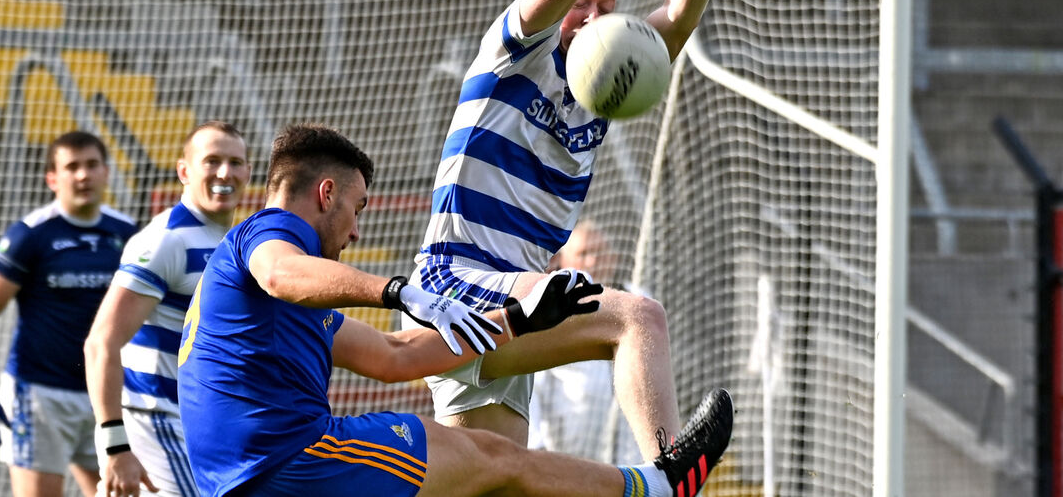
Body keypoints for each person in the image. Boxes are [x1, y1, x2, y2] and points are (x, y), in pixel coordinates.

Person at [176, 122, 733, 497]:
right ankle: (655, 486)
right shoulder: (269, 236)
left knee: (489, 462)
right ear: (326, 194)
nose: (357, 228)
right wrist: (399, 291)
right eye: (357, 206)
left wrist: (517, 321)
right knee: (497, 460)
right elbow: (280, 272)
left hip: (251, 476)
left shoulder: (287, 295)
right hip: (288, 460)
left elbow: (396, 355)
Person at [403, 0, 754, 461]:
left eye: (607, 6)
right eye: (581, 3)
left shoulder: (603, 84)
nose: (594, 16)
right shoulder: (513, 53)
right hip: (458, 283)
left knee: (492, 477)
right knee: (638, 318)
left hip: (517, 301)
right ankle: (668, 475)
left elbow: (679, 15)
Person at [0, 131, 139, 497]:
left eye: (91, 165)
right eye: (71, 167)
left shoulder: (128, 236)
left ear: (107, 172)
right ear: (52, 179)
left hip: (105, 395)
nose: (83, 176)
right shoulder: (31, 235)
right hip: (40, 397)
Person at [84, 121, 252, 497]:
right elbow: (101, 343)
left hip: (196, 427)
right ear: (183, 172)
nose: (225, 173)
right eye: (211, 161)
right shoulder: (166, 240)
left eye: (235, 162)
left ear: (249, 172)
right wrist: (115, 446)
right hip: (156, 421)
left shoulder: (230, 241)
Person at [528, 219, 640, 464]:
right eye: (583, 253)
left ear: (614, 256)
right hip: (568, 446)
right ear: (564, 262)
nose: (593, 261)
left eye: (599, 252)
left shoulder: (638, 300)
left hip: (628, 444)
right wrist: (535, 443)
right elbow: (532, 380)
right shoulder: (550, 309)